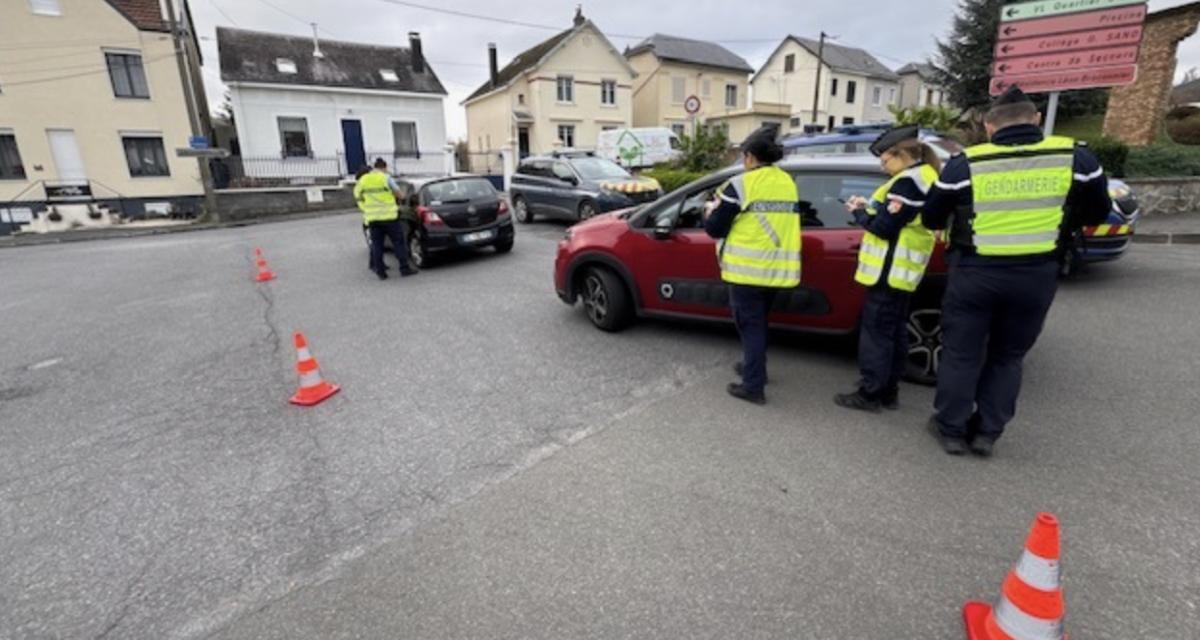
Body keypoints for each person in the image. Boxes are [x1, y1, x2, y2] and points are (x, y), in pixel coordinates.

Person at [920, 86, 1111, 457]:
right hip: (1036, 273)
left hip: (976, 271)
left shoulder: (966, 163)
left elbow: (931, 215)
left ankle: (951, 430)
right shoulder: (1076, 158)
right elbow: (1097, 212)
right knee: (1008, 355)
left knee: (962, 353)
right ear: (1036, 120)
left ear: (990, 126)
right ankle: (987, 433)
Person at [834, 125, 941, 413]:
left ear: (900, 155)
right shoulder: (925, 176)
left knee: (877, 337)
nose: (883, 167)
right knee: (894, 334)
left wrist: (858, 213)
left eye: (885, 161)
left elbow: (884, 226)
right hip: (901, 273)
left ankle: (870, 395)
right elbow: (894, 216)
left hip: (888, 272)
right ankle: (888, 391)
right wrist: (870, 207)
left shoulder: (909, 181)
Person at [703, 124, 802, 405]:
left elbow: (715, 228)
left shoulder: (742, 184)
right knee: (759, 324)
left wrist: (709, 212)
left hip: (747, 270)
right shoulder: (787, 182)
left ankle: (753, 386)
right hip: (776, 269)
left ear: (749, 157)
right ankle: (754, 367)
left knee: (751, 326)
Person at [355, 158, 416, 280]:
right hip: (389, 217)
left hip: (373, 218)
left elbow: (358, 197)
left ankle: (381, 272)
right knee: (398, 243)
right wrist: (395, 197)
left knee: (377, 245)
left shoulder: (363, 180)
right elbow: (400, 195)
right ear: (383, 167)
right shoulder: (385, 178)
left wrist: (367, 207)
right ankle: (404, 269)